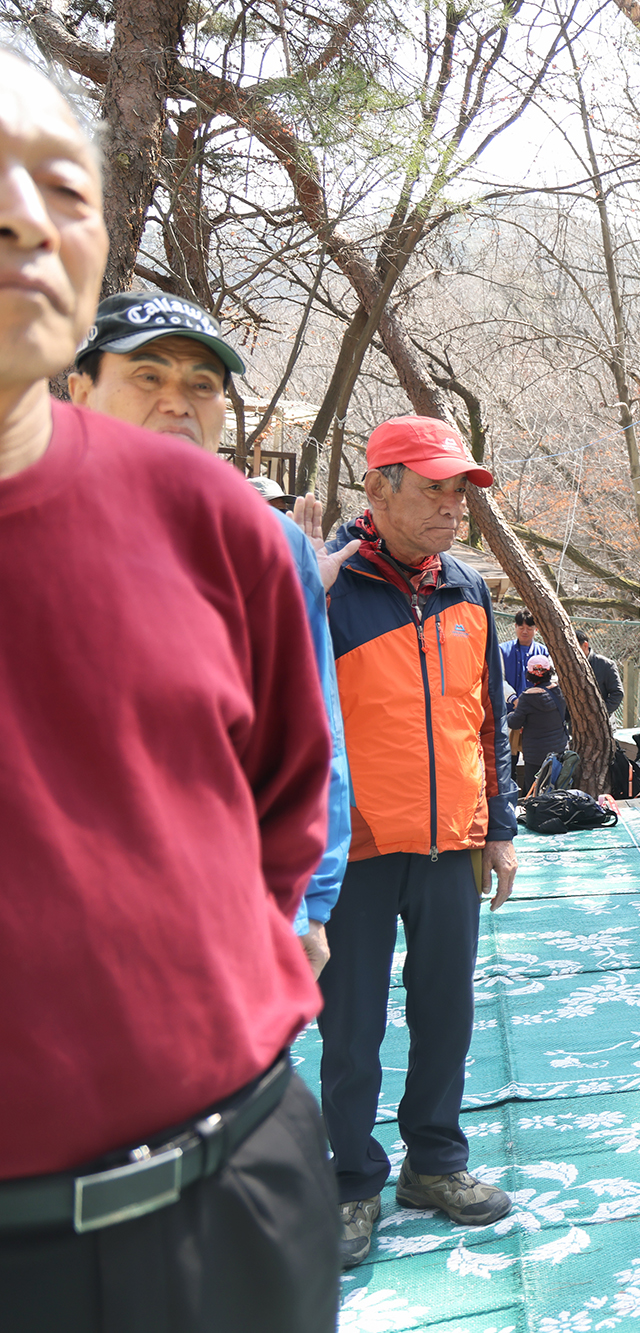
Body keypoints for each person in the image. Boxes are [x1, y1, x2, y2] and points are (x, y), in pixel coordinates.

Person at [0, 60, 337, 1327]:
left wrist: (210, 979)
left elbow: (287, 793)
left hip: (232, 1198)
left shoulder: (211, 521)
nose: (28, 215)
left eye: (65, 186)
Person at [68, 287, 351, 975]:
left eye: (202, 383)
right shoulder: (31, 521)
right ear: (80, 389)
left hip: (223, 908)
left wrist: (308, 901)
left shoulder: (268, 545)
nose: (177, 400)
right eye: (147, 376)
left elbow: (311, 733)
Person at [318, 415, 520, 1267]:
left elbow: (489, 722)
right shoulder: (325, 587)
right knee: (350, 1022)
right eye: (433, 489)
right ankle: (351, 1181)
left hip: (451, 842)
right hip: (355, 849)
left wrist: (500, 828)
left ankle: (434, 1161)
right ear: (378, 487)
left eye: (459, 493)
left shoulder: (467, 589)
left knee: (448, 1009)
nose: (451, 508)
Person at [507, 653, 570, 788]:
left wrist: (508, 716)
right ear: (549, 671)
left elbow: (515, 723)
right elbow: (567, 716)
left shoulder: (527, 697)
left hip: (536, 754)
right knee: (557, 787)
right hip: (559, 749)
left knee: (535, 788)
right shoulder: (559, 690)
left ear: (529, 674)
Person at [575, 629, 626, 719]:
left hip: (603, 722)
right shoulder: (567, 666)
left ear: (585, 645)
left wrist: (600, 714)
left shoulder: (606, 664)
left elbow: (617, 693)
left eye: (574, 648)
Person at [501, 610, 543, 697]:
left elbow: (551, 679)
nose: (525, 632)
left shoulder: (543, 652)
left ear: (536, 629)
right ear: (515, 627)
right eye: (521, 628)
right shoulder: (502, 650)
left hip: (536, 705)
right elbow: (499, 679)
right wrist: (513, 699)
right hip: (509, 706)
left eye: (529, 629)